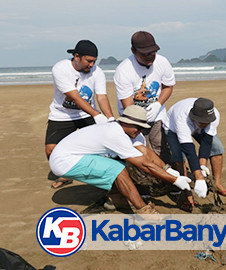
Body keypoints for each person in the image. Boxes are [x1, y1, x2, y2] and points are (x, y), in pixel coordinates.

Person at [48, 105, 192, 214]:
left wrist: (169, 169)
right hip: (64, 161)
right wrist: (174, 180)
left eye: (143, 128)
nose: (140, 131)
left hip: (74, 154)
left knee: (120, 165)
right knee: (118, 169)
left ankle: (115, 200)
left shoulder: (130, 132)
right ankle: (144, 211)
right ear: (126, 123)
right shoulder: (115, 134)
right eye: (138, 127)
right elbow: (145, 165)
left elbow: (146, 153)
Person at [45, 40, 115, 189]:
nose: (91, 65)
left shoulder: (97, 72)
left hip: (87, 115)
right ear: (77, 56)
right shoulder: (60, 68)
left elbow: (101, 96)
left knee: (103, 148)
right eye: (89, 61)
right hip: (62, 114)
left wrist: (109, 118)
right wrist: (97, 115)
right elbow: (75, 96)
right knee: (51, 150)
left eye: (94, 61)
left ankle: (99, 175)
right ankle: (65, 174)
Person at [113, 31, 175, 164]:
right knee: (140, 151)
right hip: (133, 119)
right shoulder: (124, 70)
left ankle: (168, 176)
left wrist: (158, 103)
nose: (150, 57)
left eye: (152, 52)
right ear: (133, 51)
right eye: (144, 54)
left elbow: (168, 87)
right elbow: (128, 105)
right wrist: (140, 122)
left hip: (157, 116)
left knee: (162, 148)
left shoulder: (162, 62)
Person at [163, 97, 226, 211]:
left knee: (217, 148)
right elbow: (189, 149)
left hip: (194, 126)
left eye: (207, 122)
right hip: (172, 128)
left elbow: (207, 142)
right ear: (193, 117)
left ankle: (217, 184)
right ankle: (187, 194)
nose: (204, 124)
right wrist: (199, 177)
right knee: (179, 157)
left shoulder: (214, 115)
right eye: (201, 122)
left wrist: (202, 165)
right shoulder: (182, 119)